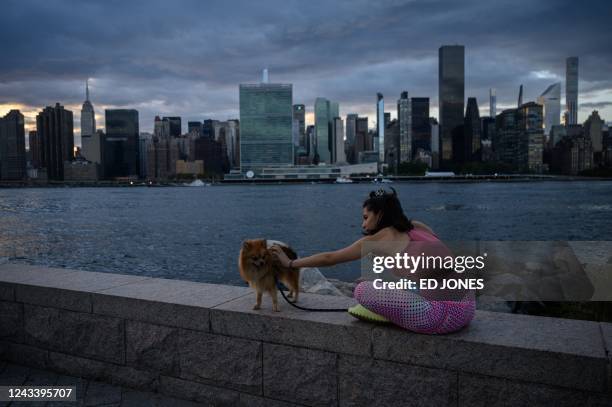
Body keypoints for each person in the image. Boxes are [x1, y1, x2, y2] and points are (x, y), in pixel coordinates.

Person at [269, 187, 475, 334]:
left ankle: (389, 312)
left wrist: (289, 263)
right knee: (374, 277)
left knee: (361, 289)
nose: (363, 223)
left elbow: (330, 258)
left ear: (381, 214)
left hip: (439, 318)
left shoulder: (379, 239)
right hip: (467, 309)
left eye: (366, 217)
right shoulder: (418, 227)